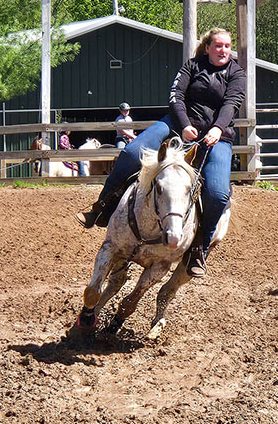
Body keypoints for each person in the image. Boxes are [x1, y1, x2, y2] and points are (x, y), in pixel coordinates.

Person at [76, 28, 246, 278]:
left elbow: (232, 103)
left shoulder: (237, 73)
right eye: (218, 46)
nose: (223, 50)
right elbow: (176, 96)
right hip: (177, 125)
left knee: (218, 194)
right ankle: (102, 206)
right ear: (208, 47)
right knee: (131, 153)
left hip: (216, 137)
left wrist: (218, 128)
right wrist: (184, 124)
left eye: (227, 46)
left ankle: (198, 248)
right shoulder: (191, 66)